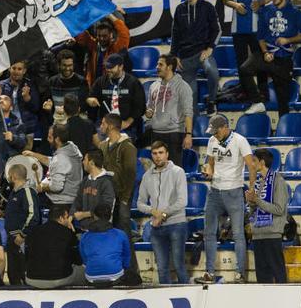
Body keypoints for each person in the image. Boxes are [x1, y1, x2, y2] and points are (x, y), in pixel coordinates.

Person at [197, 114, 258, 284]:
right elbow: (211, 163)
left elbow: (252, 166)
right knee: (209, 232)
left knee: (238, 233)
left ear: (225, 127)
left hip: (234, 191)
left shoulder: (240, 140)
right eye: (213, 132)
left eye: (216, 131)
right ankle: (209, 272)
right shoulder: (212, 141)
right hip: (214, 191)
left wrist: (251, 189)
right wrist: (208, 171)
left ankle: (240, 274)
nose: (214, 134)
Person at [240, 0, 301, 117]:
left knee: (283, 102)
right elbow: (260, 37)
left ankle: (283, 132)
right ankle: (258, 101)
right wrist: (265, 52)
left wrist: (288, 40)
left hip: (284, 60)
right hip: (267, 54)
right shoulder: (265, 11)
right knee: (245, 69)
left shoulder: (295, 12)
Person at [221, 0, 270, 103]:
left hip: (257, 28)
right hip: (238, 28)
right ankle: (245, 90)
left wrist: (261, 2)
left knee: (260, 59)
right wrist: (235, 5)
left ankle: (263, 91)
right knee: (241, 61)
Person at [136, 141, 188, 285]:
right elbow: (140, 203)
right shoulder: (147, 176)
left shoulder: (178, 172)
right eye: (154, 153)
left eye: (161, 153)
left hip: (177, 224)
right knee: (162, 269)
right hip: (157, 227)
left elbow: (182, 201)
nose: (158, 156)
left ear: (167, 154)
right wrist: (152, 211)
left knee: (179, 266)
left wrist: (163, 215)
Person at [171, 0, 221, 116]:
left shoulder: (207, 7)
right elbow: (175, 34)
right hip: (185, 57)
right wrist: (174, 56)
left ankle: (211, 102)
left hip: (202, 53)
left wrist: (210, 48)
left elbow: (217, 29)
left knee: (212, 72)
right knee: (190, 99)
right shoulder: (179, 9)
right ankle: (197, 128)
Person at [247, 148, 290, 284]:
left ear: (262, 162)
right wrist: (251, 202)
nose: (251, 164)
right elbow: (255, 209)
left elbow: (279, 209)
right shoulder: (257, 182)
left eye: (254, 161)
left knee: (278, 274)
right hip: (258, 235)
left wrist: (257, 201)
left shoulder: (279, 181)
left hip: (272, 235)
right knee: (262, 278)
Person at [145, 54, 193, 166]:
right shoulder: (153, 86)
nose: (157, 67)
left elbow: (188, 112)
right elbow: (150, 107)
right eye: (157, 64)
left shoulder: (182, 86)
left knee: (174, 170)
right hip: (156, 133)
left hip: (174, 134)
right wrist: (148, 113)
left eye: (160, 64)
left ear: (170, 67)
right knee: (157, 171)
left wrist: (188, 134)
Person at [86, 53, 146, 138]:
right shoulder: (101, 81)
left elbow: (140, 107)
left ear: (121, 67)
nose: (108, 70)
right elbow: (90, 97)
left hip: (127, 126)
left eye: (111, 67)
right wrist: (90, 100)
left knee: (122, 146)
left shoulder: (133, 82)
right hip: (105, 125)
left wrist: (127, 122)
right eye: (107, 67)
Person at [25, 206, 85, 288]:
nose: (68, 221)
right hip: (59, 279)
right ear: (61, 218)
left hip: (31, 278)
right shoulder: (67, 233)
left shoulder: (34, 231)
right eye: (67, 218)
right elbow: (78, 260)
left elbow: (27, 255)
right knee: (85, 271)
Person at [25, 123, 83, 209]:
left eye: (50, 137)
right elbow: (53, 162)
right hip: (70, 200)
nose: (47, 140)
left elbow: (56, 187)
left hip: (61, 204)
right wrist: (33, 154)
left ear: (57, 139)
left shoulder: (61, 159)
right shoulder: (71, 147)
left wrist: (41, 187)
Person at [3, 164, 41, 285]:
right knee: (13, 275)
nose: (7, 178)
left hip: (22, 241)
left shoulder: (27, 191)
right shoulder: (14, 193)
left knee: (23, 275)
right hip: (12, 240)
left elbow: (33, 216)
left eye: (9, 175)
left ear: (13, 176)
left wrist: (23, 235)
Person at [79, 203, 133, 286]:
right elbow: (126, 257)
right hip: (116, 274)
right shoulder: (121, 234)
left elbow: (85, 260)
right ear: (110, 216)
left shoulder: (84, 236)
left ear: (94, 216)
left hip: (91, 276)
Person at [76, 16, 130, 86]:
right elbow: (80, 34)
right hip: (93, 86)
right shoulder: (93, 45)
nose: (101, 38)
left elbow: (124, 33)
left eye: (105, 36)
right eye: (99, 35)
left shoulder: (116, 48)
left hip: (110, 87)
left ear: (111, 35)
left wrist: (110, 15)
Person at [70, 149, 116, 230]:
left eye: (85, 159)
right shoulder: (85, 180)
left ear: (92, 163)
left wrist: (84, 214)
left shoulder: (107, 182)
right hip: (84, 227)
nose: (83, 162)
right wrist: (71, 216)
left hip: (101, 229)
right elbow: (78, 200)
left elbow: (106, 207)